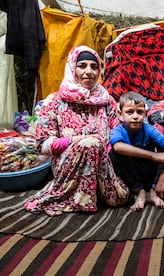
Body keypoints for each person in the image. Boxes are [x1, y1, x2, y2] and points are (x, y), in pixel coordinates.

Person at [24, 45, 129, 216]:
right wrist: (75, 140)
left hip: (103, 165)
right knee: (91, 143)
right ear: (72, 68)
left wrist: (102, 150)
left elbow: (117, 133)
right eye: (82, 66)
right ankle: (81, 201)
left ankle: (93, 192)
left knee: (121, 196)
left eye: (94, 67)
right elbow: (43, 145)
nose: (89, 72)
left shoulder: (106, 101)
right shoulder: (54, 101)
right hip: (68, 166)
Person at [109, 92, 164, 210]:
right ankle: (140, 192)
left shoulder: (149, 129)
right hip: (131, 175)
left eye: (140, 112)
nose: (135, 116)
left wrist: (163, 178)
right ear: (120, 114)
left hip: (149, 174)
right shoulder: (118, 130)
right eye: (129, 112)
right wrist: (153, 155)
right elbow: (118, 147)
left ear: (145, 114)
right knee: (114, 154)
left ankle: (153, 191)